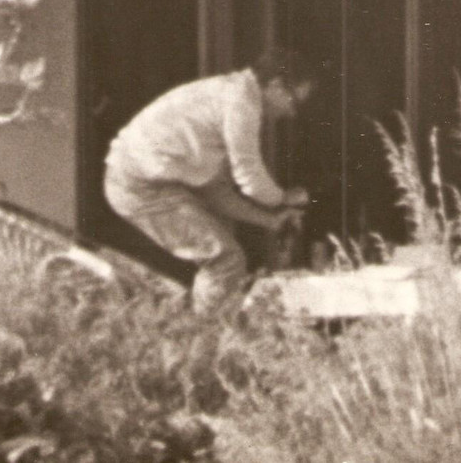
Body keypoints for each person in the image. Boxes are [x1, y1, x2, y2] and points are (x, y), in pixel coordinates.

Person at [103, 47, 315, 316]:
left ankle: (203, 326)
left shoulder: (230, 94)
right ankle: (206, 334)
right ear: (275, 86)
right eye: (294, 102)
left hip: (140, 180)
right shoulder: (242, 104)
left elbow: (216, 193)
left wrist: (270, 220)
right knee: (226, 260)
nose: (292, 113)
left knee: (223, 257)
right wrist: (284, 198)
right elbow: (249, 178)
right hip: (137, 185)